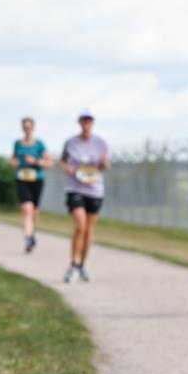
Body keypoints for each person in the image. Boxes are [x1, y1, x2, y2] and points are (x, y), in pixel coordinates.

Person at [60, 109, 109, 282]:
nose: (86, 123)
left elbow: (105, 165)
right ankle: (73, 264)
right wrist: (67, 168)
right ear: (79, 122)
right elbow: (63, 160)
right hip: (75, 188)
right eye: (84, 120)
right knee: (80, 226)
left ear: (93, 122)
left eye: (89, 120)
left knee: (88, 230)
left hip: (94, 189)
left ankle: (82, 265)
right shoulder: (71, 142)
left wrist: (103, 164)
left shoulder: (100, 143)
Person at [10, 116, 52, 253]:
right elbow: (13, 159)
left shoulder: (40, 144)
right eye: (25, 127)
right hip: (22, 178)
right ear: (22, 128)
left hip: (37, 179)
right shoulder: (17, 144)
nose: (27, 129)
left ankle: (32, 232)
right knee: (26, 209)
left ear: (33, 128)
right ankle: (28, 238)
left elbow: (49, 163)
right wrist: (13, 163)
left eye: (29, 127)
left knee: (34, 210)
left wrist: (35, 161)